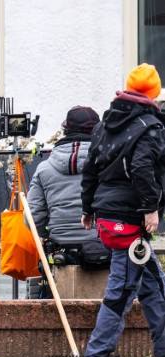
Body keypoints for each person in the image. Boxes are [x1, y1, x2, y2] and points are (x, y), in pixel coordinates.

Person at [80, 63, 165, 357]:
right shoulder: (150, 126)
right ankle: (98, 356)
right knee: (123, 288)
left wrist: (88, 209)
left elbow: (91, 168)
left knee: (154, 284)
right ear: (154, 93)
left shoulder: (106, 123)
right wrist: (150, 208)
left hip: (106, 216)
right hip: (129, 219)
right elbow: (143, 166)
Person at [28, 106, 107, 265]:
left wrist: (48, 235)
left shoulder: (44, 168)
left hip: (59, 247)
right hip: (101, 244)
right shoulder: (109, 165)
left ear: (66, 130)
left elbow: (32, 215)